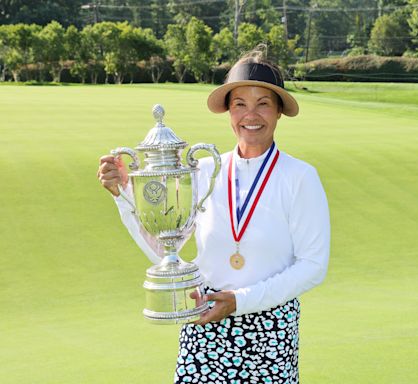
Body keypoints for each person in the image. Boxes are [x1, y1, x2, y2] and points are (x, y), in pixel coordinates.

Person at [97, 48, 330, 384]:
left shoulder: (300, 177)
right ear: (228, 111)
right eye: (240, 104)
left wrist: (239, 302)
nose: (251, 114)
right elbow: (167, 250)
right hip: (204, 323)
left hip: (269, 331)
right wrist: (124, 196)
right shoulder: (204, 169)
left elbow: (313, 266)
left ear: (279, 111)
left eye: (263, 103)